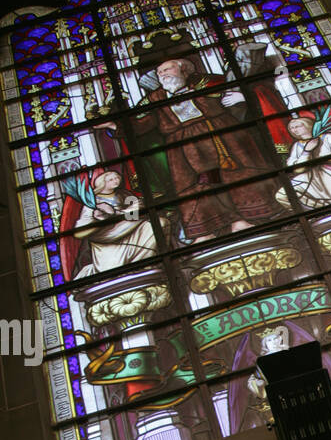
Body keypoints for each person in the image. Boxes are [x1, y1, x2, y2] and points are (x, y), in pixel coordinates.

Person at [128, 55, 283, 241]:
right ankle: (204, 232)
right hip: (183, 149)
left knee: (228, 177)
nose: (163, 75)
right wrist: (115, 126)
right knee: (195, 187)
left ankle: (240, 221)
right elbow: (141, 123)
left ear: (183, 69)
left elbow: (250, 90)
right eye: (160, 73)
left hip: (221, 139)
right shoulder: (155, 98)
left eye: (167, 69)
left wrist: (242, 96)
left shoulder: (208, 83)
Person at [60, 168, 157, 280]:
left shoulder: (124, 195)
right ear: (102, 183)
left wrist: (118, 213)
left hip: (131, 232)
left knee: (156, 225)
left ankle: (141, 266)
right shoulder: (93, 203)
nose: (115, 181)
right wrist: (99, 219)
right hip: (107, 242)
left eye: (116, 178)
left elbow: (136, 211)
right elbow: (79, 232)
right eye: (111, 179)